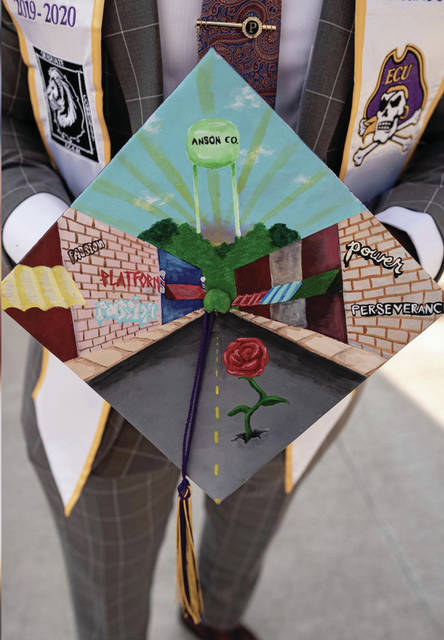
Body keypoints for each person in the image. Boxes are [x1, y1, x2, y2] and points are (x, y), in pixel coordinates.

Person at [2, 1, 443, 639]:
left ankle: (214, 618)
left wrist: (399, 249)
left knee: (253, 520)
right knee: (107, 575)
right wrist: (50, 244)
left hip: (314, 337)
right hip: (100, 342)